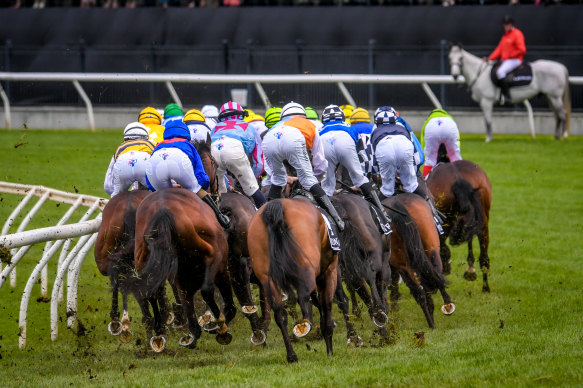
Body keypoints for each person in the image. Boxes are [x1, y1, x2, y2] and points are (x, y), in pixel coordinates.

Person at [262, 101, 344, 231]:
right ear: (303, 115)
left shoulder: (277, 125)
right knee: (309, 180)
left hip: (269, 138)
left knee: (277, 180)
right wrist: (316, 178)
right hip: (292, 139)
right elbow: (320, 162)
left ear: (283, 116)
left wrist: (285, 177)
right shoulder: (309, 124)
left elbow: (269, 169)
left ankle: (265, 219)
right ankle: (336, 219)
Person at [319, 104, 391, 233]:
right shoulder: (349, 127)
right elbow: (363, 155)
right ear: (342, 118)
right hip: (345, 142)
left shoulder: (320, 129)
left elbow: (317, 160)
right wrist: (364, 176)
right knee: (360, 179)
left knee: (327, 185)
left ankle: (328, 218)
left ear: (324, 120)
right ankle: (382, 214)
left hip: (324, 142)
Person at [371, 106, 443, 234]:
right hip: (405, 147)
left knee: (387, 190)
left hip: (384, 149)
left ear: (377, 121)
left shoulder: (374, 130)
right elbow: (417, 158)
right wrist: (409, 174)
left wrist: (382, 175)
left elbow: (374, 164)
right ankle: (434, 217)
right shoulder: (404, 127)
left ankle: (376, 222)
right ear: (395, 119)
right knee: (412, 186)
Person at [145, 120, 230, 228]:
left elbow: (148, 177)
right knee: (197, 189)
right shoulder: (188, 145)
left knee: (163, 196)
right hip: (179, 159)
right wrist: (201, 187)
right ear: (186, 133)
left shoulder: (158, 145)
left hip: (156, 161)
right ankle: (220, 217)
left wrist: (155, 188)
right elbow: (200, 174)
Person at [210, 101, 267, 209]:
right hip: (234, 150)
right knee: (253, 190)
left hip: (214, 150)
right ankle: (268, 216)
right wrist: (251, 178)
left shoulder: (214, 128)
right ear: (241, 115)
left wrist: (227, 186)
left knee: (220, 194)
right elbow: (258, 162)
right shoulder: (250, 127)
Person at [103, 122, 155, 198]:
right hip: (144, 161)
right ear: (146, 137)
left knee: (116, 199)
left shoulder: (121, 147)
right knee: (157, 195)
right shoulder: (151, 144)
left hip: (123, 162)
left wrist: (114, 194)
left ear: (126, 138)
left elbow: (108, 185)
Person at [487, 15, 526, 105]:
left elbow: (522, 49)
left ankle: (507, 96)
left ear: (512, 24)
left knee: (500, 72)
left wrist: (510, 55)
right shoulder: (505, 36)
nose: (505, 26)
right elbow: (499, 49)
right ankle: (499, 95)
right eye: (504, 25)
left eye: (507, 24)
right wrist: (490, 58)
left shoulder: (517, 33)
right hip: (506, 60)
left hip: (515, 60)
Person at [420, 109, 462, 178]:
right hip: (449, 127)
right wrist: (454, 151)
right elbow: (458, 138)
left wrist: (427, 155)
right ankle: (462, 179)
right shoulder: (449, 118)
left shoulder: (428, 120)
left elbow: (423, 140)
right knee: (456, 159)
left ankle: (425, 184)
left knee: (429, 161)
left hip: (432, 127)